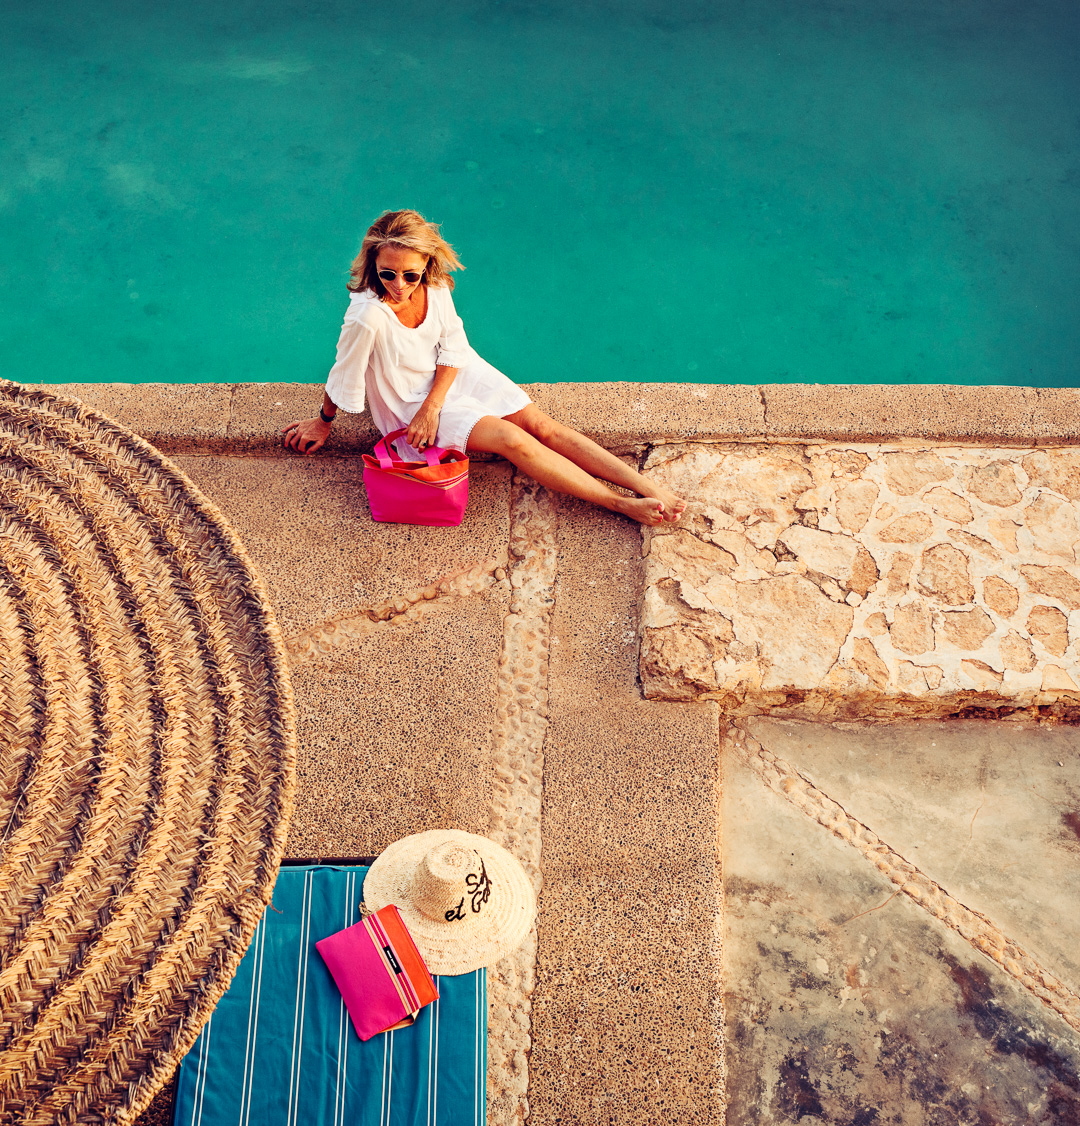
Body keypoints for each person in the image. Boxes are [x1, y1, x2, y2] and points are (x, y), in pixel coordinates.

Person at [281, 209, 686, 525]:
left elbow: (454, 346)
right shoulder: (367, 317)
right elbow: (343, 373)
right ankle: (619, 504)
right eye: (388, 274)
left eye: (410, 274)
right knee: (515, 441)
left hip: (452, 377)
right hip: (407, 399)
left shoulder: (434, 287)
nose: (400, 285)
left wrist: (434, 405)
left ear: (427, 264)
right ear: (373, 264)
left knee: (542, 426)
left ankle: (641, 483)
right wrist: (322, 422)